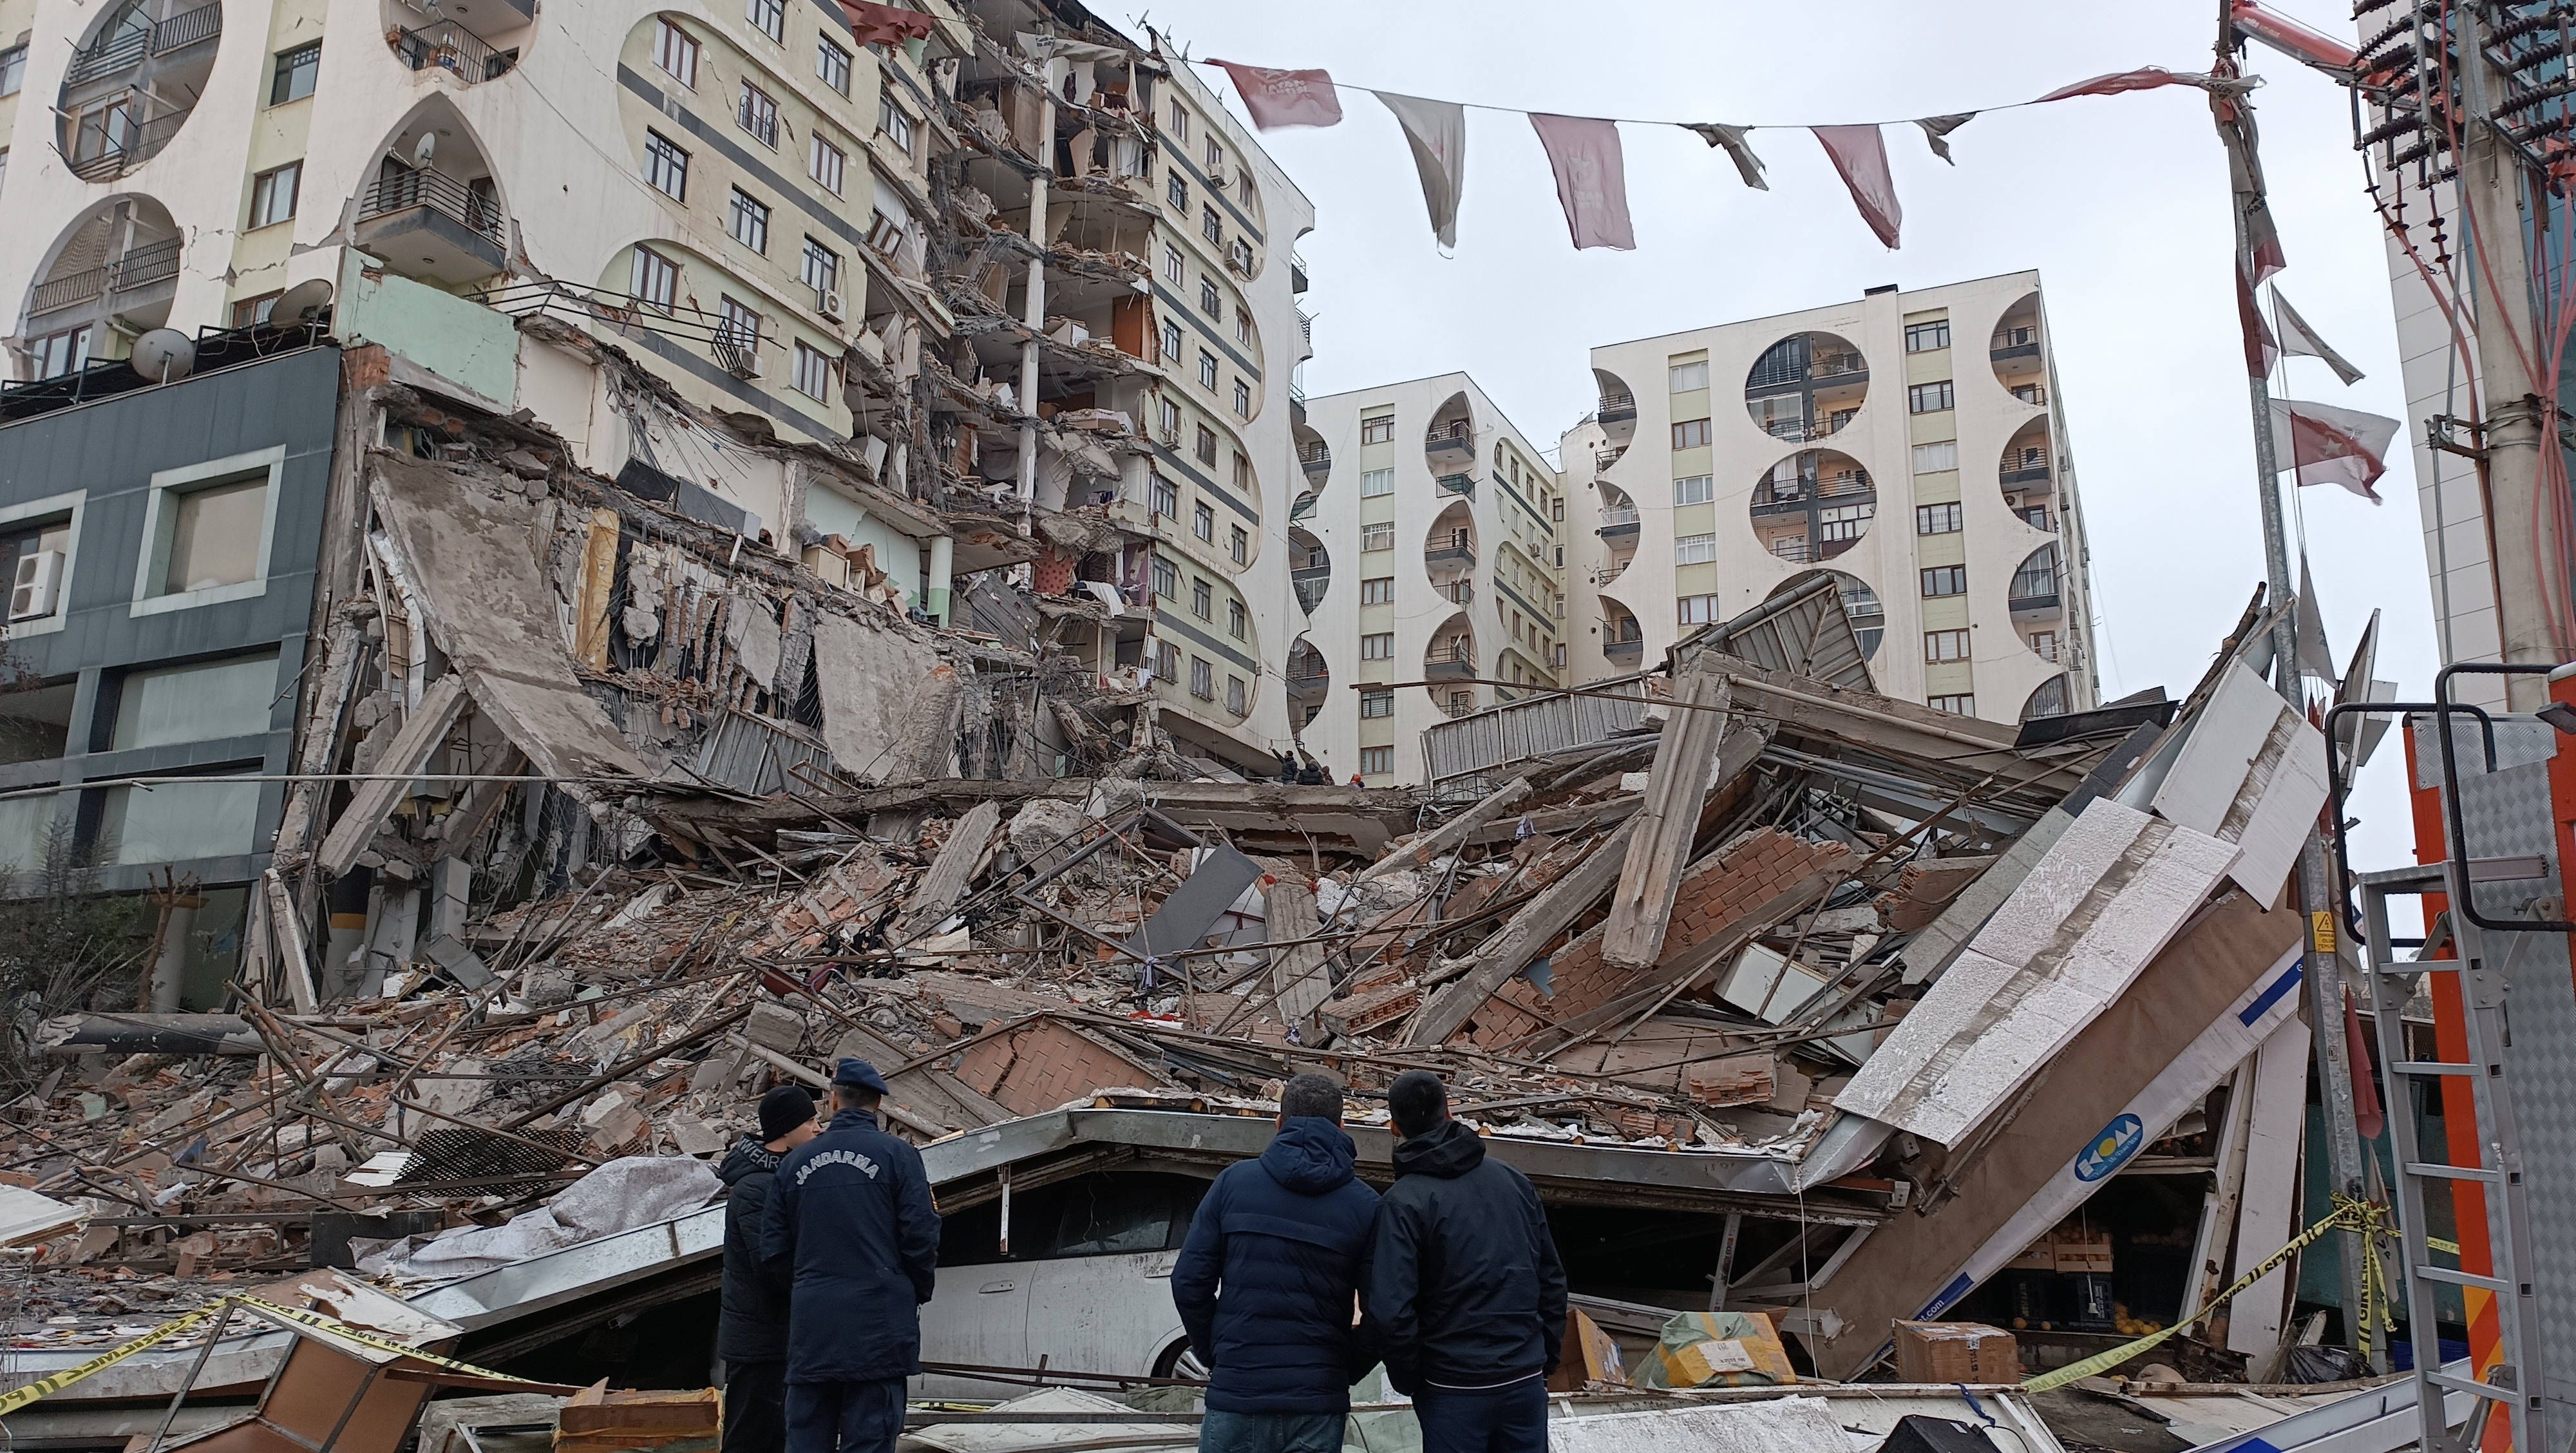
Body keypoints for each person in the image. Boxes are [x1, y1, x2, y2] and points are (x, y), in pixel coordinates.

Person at [1171, 1074, 1379, 1453]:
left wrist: (1216, 1352)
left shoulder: (1233, 1184)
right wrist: (1345, 1368)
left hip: (1239, 1392)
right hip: (1316, 1400)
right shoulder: (1365, 1205)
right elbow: (1382, 1310)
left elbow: (1188, 1282)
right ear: (1342, 1126)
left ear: (1279, 1123)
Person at [1364, 1070, 1566, 1453]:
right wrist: (1544, 1359)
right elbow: (1551, 1280)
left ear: (1394, 1127)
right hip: (1522, 1378)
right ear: (1450, 1113)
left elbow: (1391, 1311)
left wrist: (1411, 1378)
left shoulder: (1403, 1203)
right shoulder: (1513, 1182)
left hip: (1451, 1389)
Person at [762, 1060, 940, 1453]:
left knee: (807, 1437)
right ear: (878, 1104)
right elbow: (921, 1235)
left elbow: (774, 1249)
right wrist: (911, 1289)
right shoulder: (899, 1156)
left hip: (814, 1327)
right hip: (879, 1325)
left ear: (833, 1101)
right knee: (871, 1438)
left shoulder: (793, 1164)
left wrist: (809, 1288)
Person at [719, 1087, 820, 1453]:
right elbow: (772, 1263)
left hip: (777, 1334)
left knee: (777, 1435)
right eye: (809, 1121)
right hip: (759, 1338)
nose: (818, 1128)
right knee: (749, 1435)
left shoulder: (783, 1177)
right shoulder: (756, 1188)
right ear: (785, 1128)